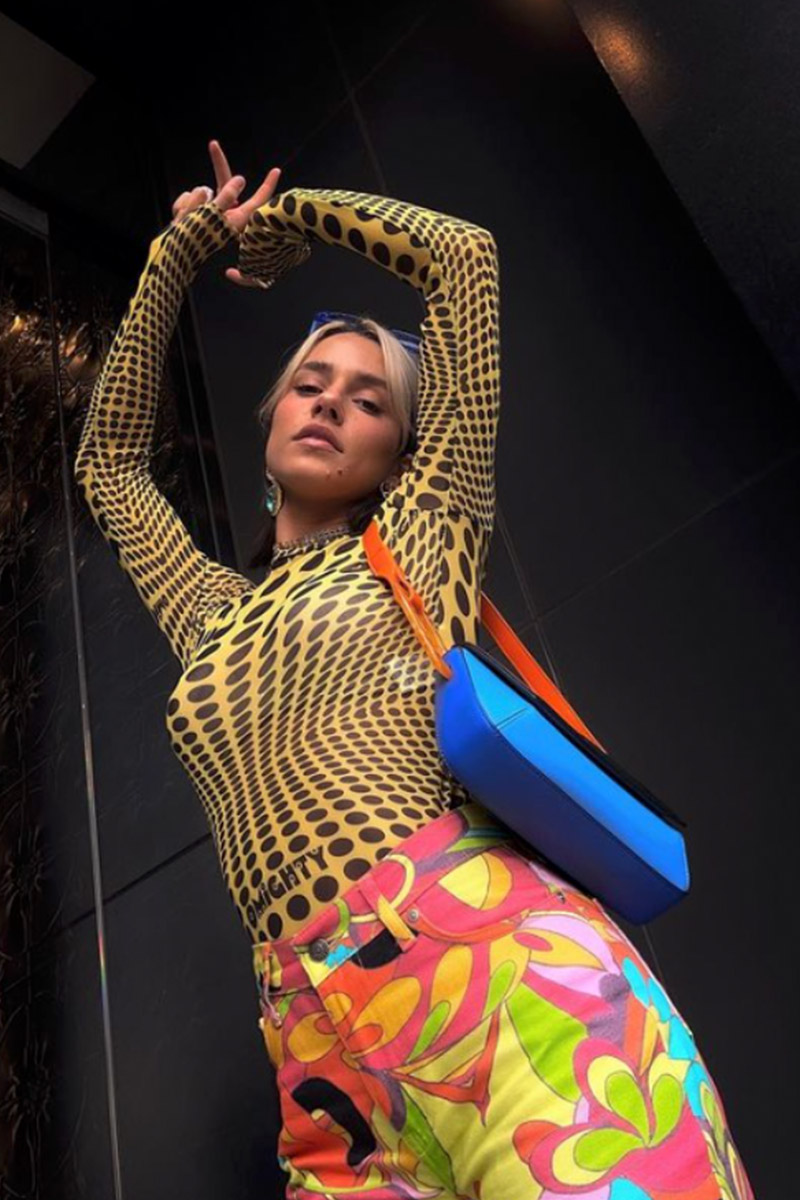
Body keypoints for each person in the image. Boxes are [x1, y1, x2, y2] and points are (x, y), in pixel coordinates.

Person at [74, 138, 754, 1200]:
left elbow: (463, 260)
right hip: (314, 1045)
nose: (329, 403)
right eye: (309, 384)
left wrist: (288, 220)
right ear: (271, 422)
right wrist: (176, 256)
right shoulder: (209, 613)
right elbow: (108, 467)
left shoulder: (424, 528)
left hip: (493, 968)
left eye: (368, 398)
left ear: (401, 450)